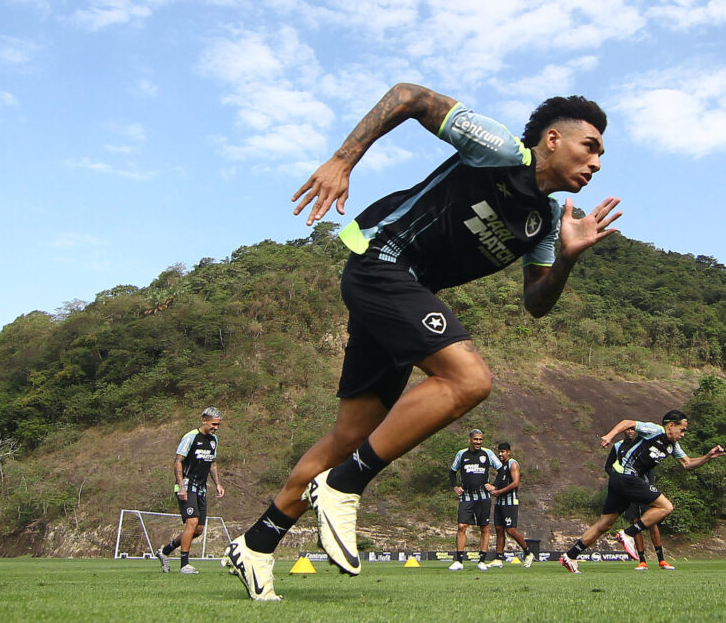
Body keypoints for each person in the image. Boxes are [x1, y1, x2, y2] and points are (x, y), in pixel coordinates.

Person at [223, 82, 620, 601]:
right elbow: (409, 96)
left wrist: (565, 258)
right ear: (552, 139)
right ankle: (343, 485)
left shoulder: (545, 222)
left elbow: (536, 302)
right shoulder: (500, 149)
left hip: (402, 295)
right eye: (590, 147)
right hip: (381, 260)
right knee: (469, 379)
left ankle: (256, 544)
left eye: (600, 155)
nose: (596, 163)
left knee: (349, 437)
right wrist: (342, 161)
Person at [559, 410, 725, 574]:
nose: (683, 434)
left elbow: (687, 464)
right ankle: (628, 534)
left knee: (605, 524)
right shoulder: (655, 430)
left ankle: (570, 556)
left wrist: (708, 456)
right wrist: (610, 436)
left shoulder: (673, 445)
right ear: (671, 425)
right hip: (627, 476)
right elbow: (627, 423)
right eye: (682, 430)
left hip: (620, 480)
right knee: (666, 507)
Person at [155, 407, 224, 574]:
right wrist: (181, 487)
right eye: (213, 424)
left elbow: (212, 463)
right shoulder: (190, 437)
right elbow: (178, 461)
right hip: (187, 486)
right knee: (191, 522)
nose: (216, 428)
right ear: (204, 421)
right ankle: (184, 565)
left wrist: (218, 484)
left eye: (218, 425)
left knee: (198, 529)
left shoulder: (214, 440)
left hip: (201, 488)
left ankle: (165, 551)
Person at [610, 428, 673, 571]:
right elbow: (609, 466)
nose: (630, 432)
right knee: (635, 521)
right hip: (629, 488)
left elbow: (650, 467)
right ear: (624, 432)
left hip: (644, 489)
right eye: (628, 430)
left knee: (652, 522)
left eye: (633, 429)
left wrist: (650, 486)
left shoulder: (643, 444)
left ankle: (661, 560)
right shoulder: (618, 446)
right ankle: (642, 560)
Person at [447, 429, 502, 571]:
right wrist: (455, 487)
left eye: (480, 439)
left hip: (483, 497)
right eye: (476, 439)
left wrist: (494, 485)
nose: (478, 442)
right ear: (470, 439)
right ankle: (459, 561)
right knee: (461, 526)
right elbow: (452, 472)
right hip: (466, 496)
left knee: (484, 528)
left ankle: (482, 560)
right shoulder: (461, 454)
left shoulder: (488, 453)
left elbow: (502, 470)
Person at [489, 441, 535, 568]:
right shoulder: (501, 467)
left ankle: (528, 553)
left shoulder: (513, 464)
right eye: (499, 452)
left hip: (510, 502)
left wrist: (499, 492)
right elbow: (499, 484)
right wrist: (492, 488)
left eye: (503, 452)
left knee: (510, 529)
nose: (500, 454)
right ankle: (498, 559)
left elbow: (515, 483)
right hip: (499, 502)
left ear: (508, 452)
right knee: (499, 529)